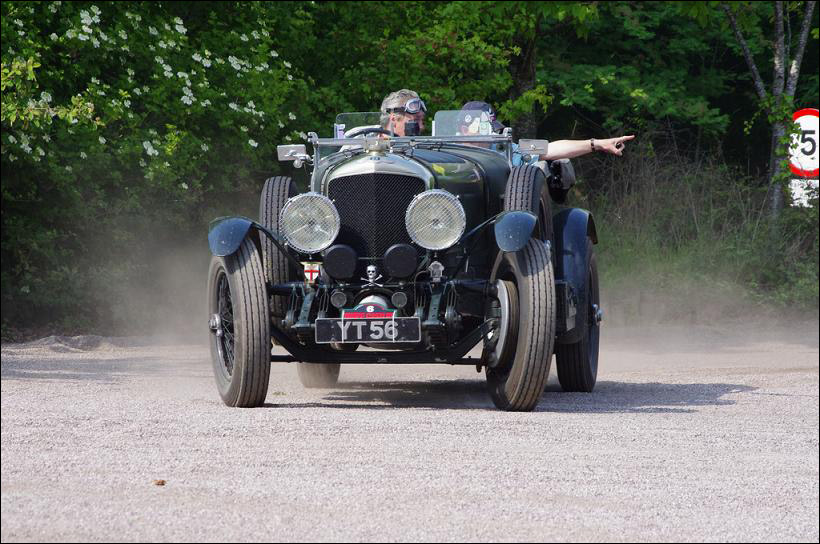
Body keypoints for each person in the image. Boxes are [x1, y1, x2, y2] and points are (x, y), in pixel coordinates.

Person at [458, 101, 635, 165]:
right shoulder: (445, 151)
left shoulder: (505, 149)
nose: (492, 135)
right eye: (484, 129)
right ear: (465, 131)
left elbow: (549, 148)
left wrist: (597, 144)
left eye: (492, 129)